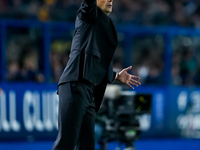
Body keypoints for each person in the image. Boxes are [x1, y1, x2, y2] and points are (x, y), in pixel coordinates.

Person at [52, 0, 141, 150]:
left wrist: (115, 76)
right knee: (66, 143)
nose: (110, 0)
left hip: (90, 91)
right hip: (76, 85)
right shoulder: (88, 15)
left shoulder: (106, 23)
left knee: (87, 145)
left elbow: (97, 63)